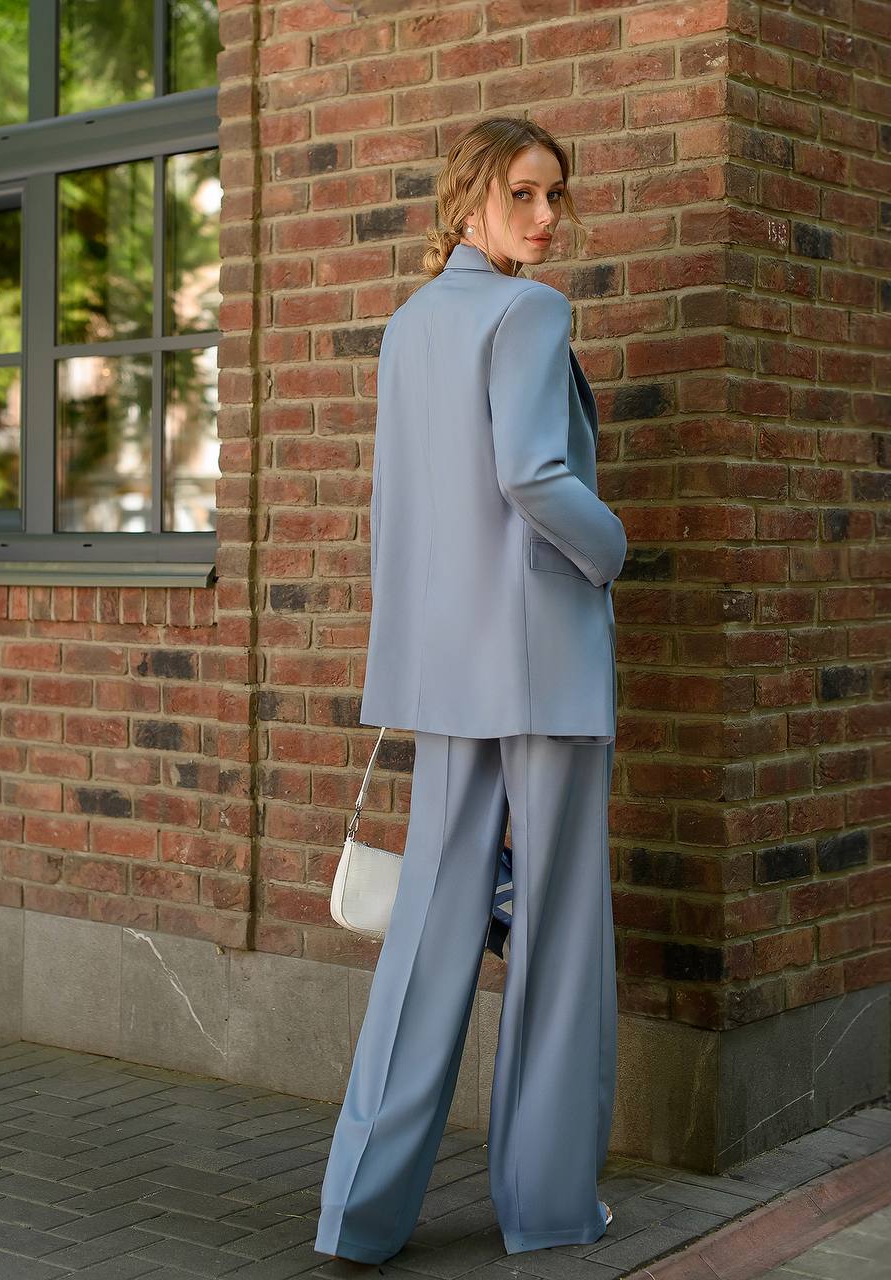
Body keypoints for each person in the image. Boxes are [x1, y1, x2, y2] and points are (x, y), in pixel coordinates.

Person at [313, 115, 626, 1265]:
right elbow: (534, 475)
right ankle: (546, 1207)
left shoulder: (405, 327)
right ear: (469, 201)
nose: (547, 218)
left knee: (433, 930)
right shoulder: (530, 311)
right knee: (554, 931)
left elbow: (405, 509)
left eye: (557, 195)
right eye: (525, 194)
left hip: (442, 669)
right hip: (542, 661)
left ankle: (358, 1209)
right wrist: (613, 547)